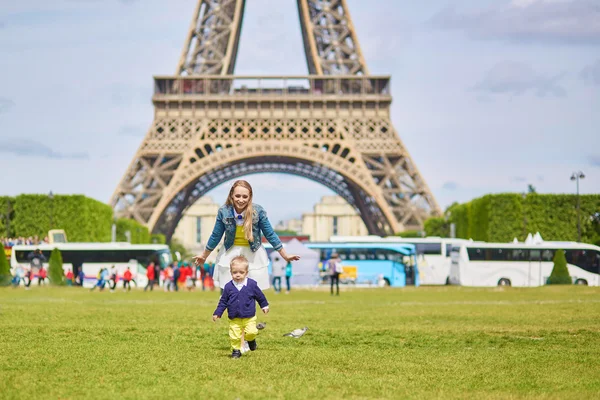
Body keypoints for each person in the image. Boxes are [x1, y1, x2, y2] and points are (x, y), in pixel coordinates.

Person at [193, 180, 300, 290]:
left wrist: (285, 255)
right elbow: (216, 235)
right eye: (237, 196)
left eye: (245, 196)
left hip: (253, 251)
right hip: (231, 250)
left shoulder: (258, 211)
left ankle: (249, 307)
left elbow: (270, 234)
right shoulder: (223, 211)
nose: (241, 200)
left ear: (250, 197)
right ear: (231, 195)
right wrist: (204, 255)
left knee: (251, 289)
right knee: (231, 289)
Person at [212, 255, 269, 359]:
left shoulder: (252, 285)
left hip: (249, 316)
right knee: (234, 336)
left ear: (246, 273)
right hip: (234, 317)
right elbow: (223, 301)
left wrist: (264, 305)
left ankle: (251, 340)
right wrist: (218, 312)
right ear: (231, 272)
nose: (238, 275)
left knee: (251, 332)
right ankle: (236, 351)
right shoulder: (228, 287)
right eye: (235, 272)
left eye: (241, 272)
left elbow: (260, 296)